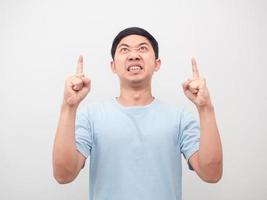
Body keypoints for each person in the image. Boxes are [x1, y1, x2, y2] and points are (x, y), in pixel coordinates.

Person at [52, 27, 223, 200]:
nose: (133, 55)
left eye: (142, 48)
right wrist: (68, 107)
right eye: (124, 49)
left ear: (157, 64)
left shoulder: (179, 118)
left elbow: (211, 174)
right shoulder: (91, 116)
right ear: (113, 66)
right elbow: (63, 175)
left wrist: (206, 108)